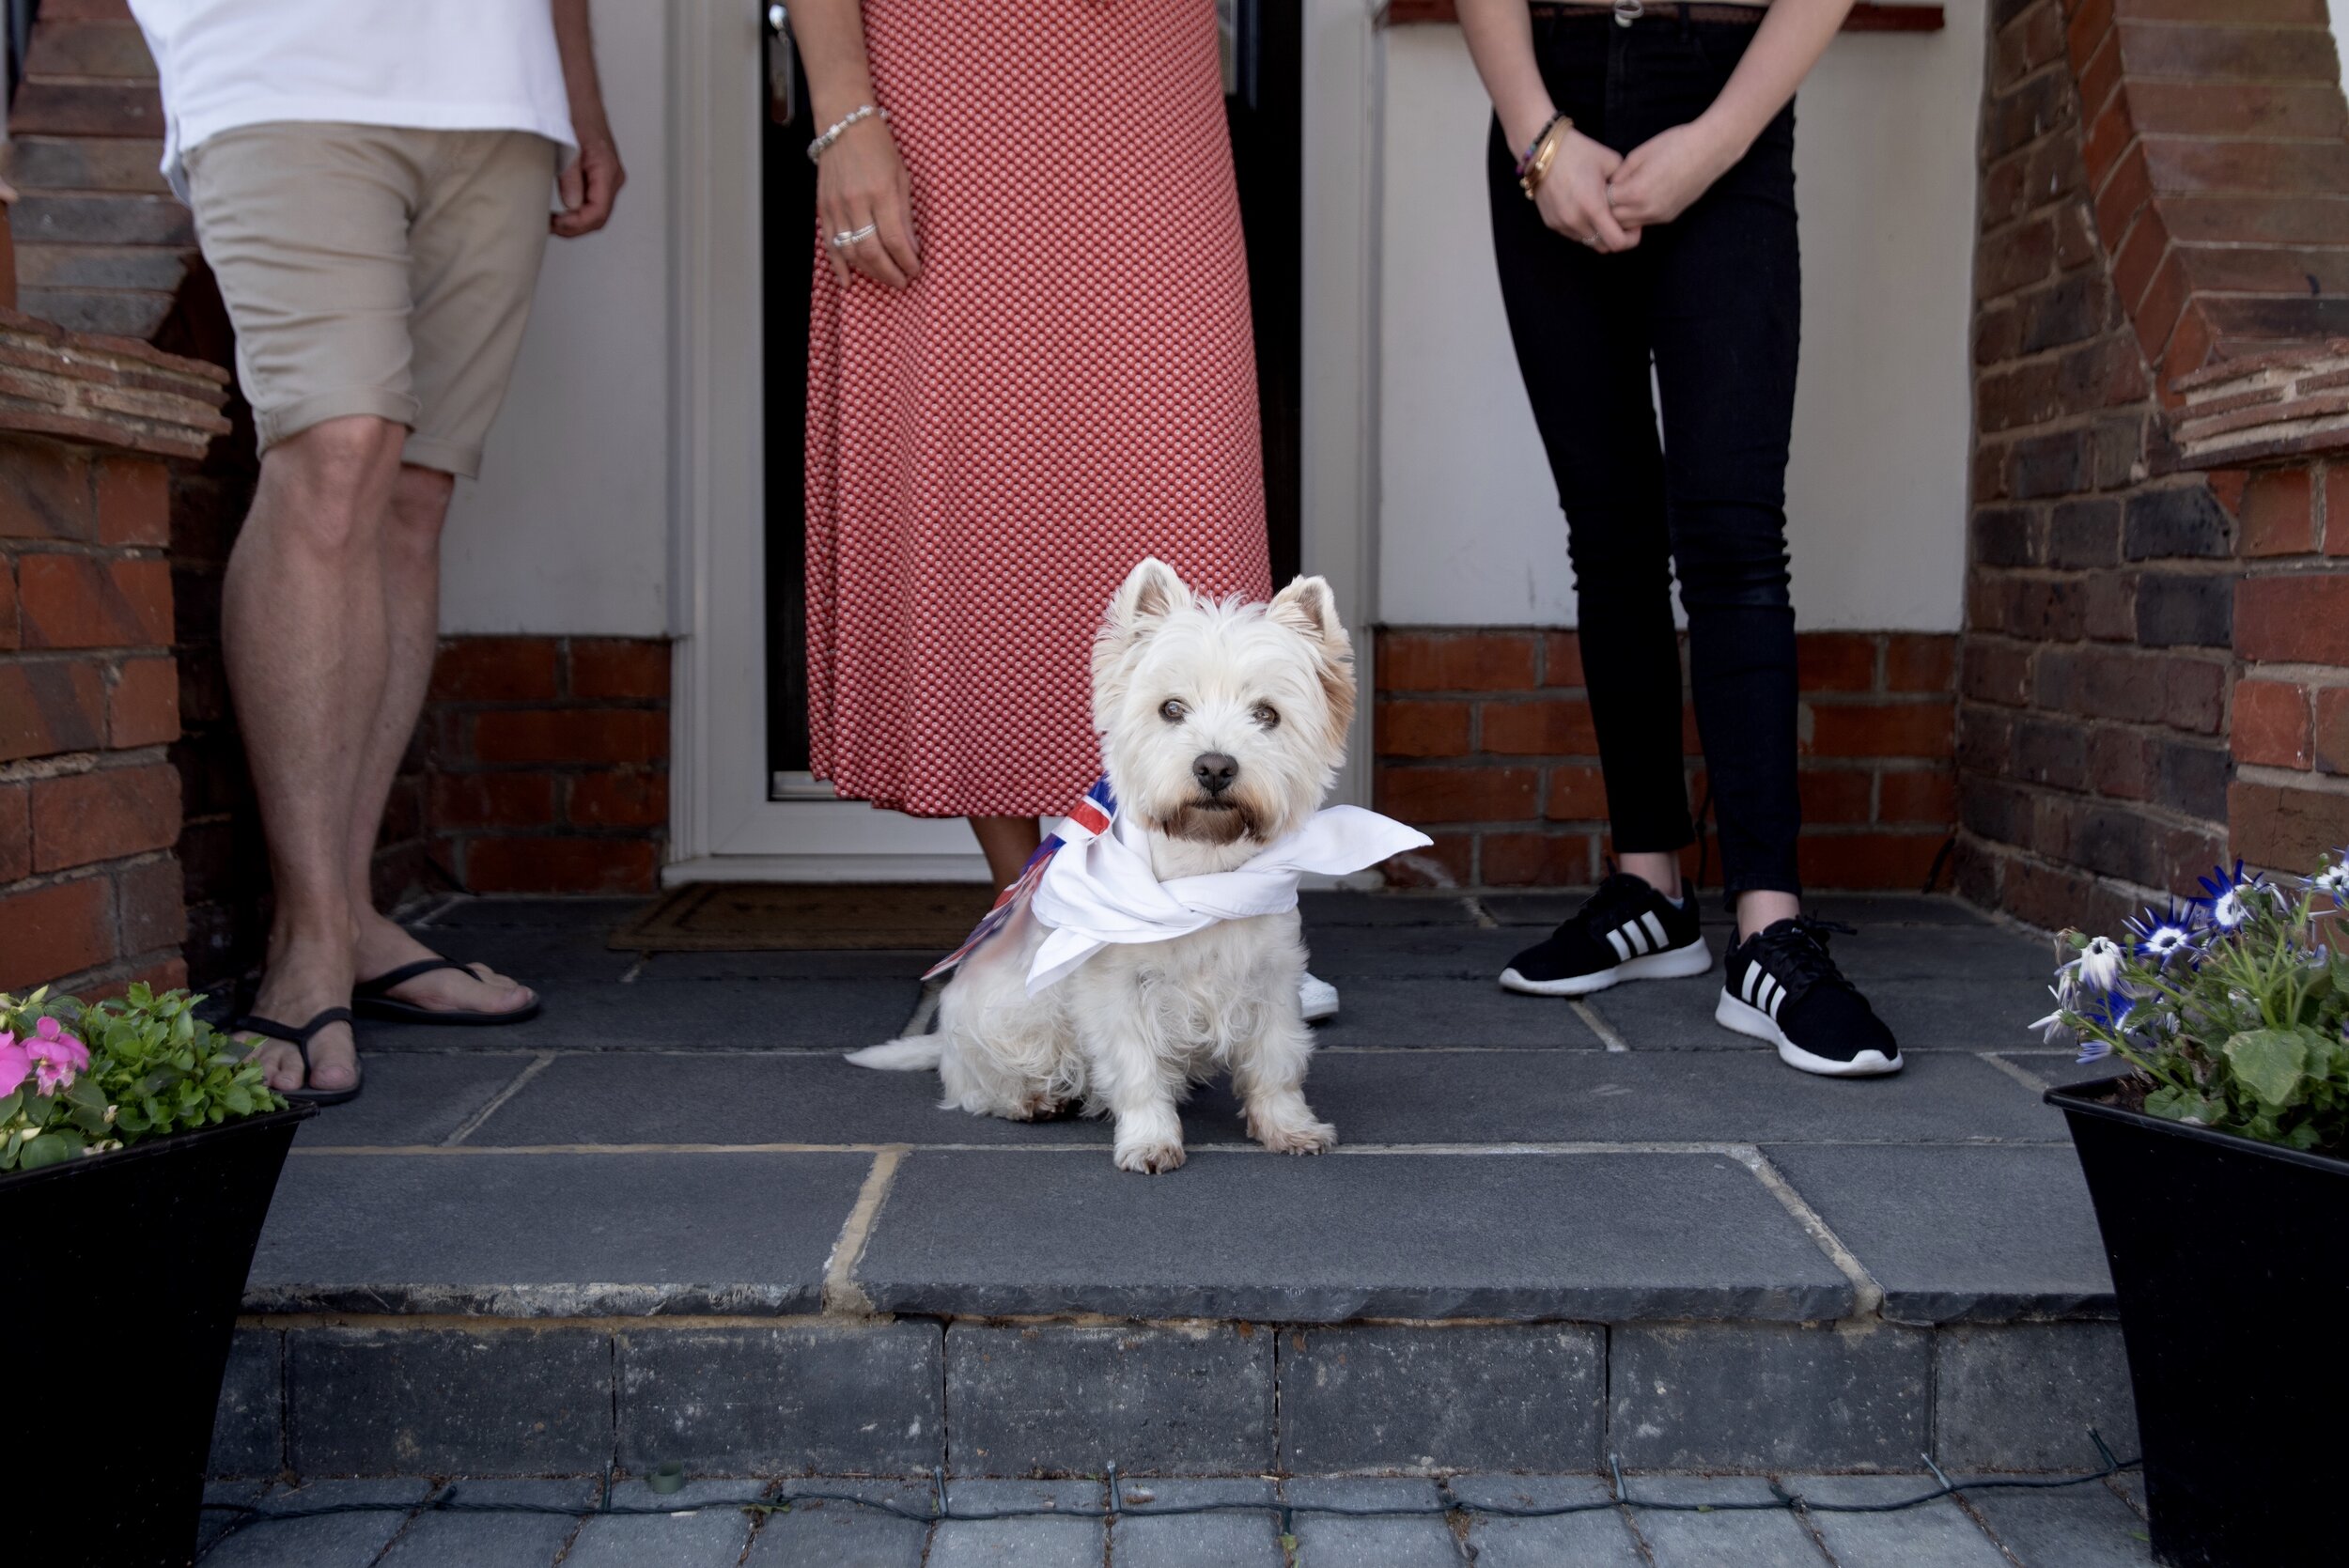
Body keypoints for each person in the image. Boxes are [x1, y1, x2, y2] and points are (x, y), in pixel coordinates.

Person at [791, 4, 1339, 1019]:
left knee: (1182, 456)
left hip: (1143, 67)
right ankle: (1037, 908)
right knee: (971, 471)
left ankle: (1203, 911)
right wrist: (842, 111)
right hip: (944, 71)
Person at [129, 0, 627, 1101]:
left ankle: (350, 915)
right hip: (277, 70)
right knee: (336, 448)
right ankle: (304, 939)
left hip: (498, 92)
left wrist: (575, 95)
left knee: (414, 492)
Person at [1458, 0, 1902, 1076]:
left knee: (1735, 536)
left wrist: (1719, 136)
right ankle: (1651, 888)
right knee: (1608, 536)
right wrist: (1537, 133)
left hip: (1723, 83)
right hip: (1546, 98)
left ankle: (1767, 931)